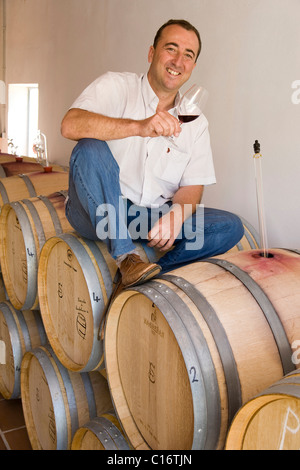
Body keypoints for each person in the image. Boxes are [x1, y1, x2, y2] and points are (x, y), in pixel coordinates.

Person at [61, 19, 244, 289]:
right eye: (171, 48)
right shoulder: (116, 86)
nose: (178, 61)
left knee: (230, 227)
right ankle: (127, 258)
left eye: (188, 55)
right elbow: (70, 125)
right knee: (89, 147)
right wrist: (139, 127)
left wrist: (177, 215)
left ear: (193, 66)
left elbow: (193, 184)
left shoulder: (197, 123)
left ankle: (150, 277)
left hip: (145, 219)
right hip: (98, 211)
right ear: (152, 53)